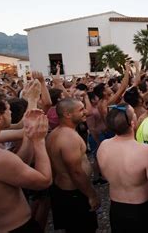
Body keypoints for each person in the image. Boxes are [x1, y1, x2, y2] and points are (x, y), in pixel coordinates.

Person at [0, 92, 52, 232]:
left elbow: (24, 134)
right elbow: (44, 181)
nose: (11, 112)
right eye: (8, 109)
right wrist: (39, 141)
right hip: (16, 228)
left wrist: (32, 108)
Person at [97, 103, 148, 233]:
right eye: (135, 115)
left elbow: (104, 173)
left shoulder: (103, 146)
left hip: (117, 208)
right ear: (132, 123)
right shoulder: (145, 150)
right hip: (141, 210)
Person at [46, 97, 99, 232]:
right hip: (75, 194)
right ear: (67, 114)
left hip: (64, 191)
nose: (85, 112)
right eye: (81, 110)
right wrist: (91, 195)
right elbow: (76, 172)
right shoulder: (69, 138)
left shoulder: (54, 133)